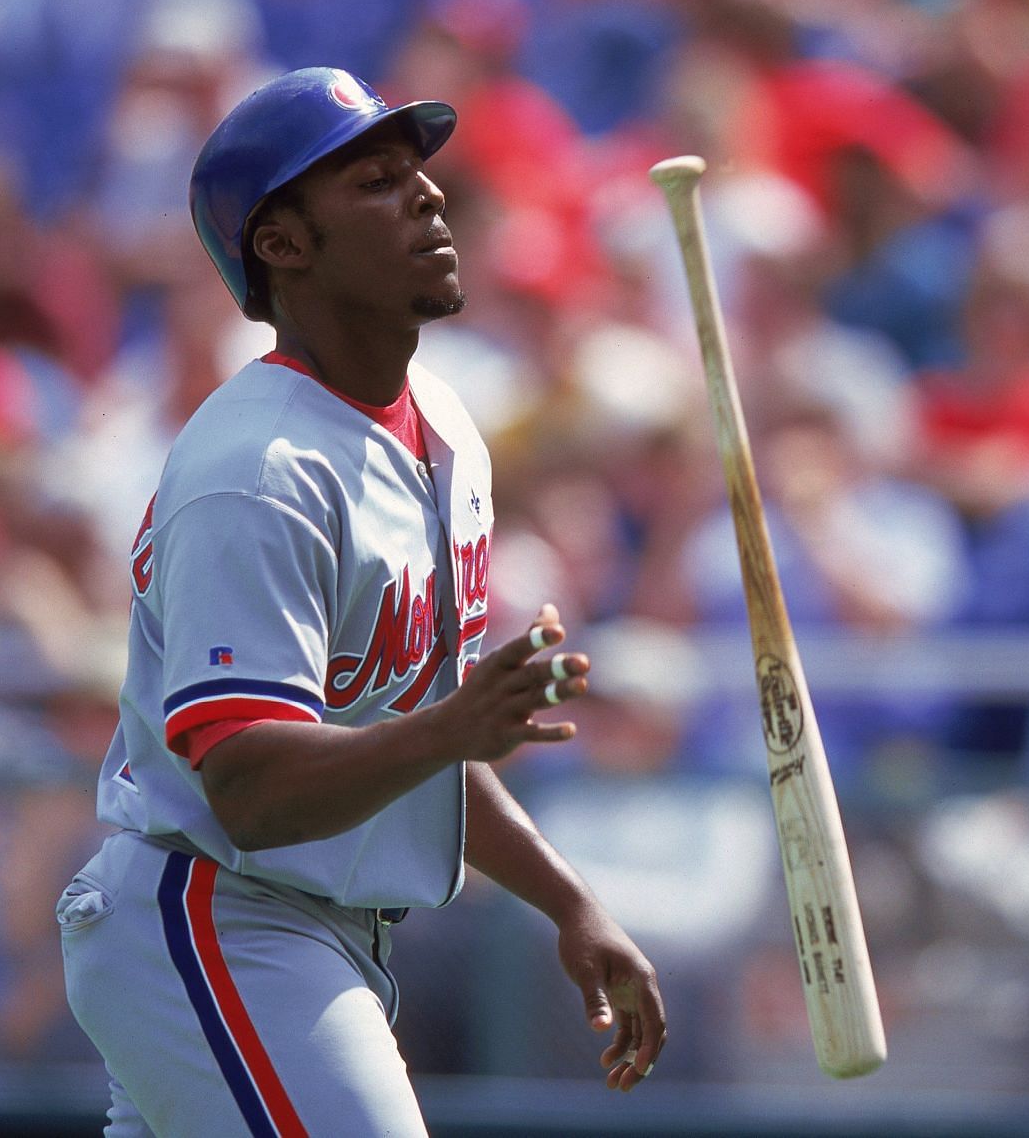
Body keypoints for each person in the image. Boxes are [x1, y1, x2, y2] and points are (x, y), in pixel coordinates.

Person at [57, 67, 666, 1137]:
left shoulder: (445, 432)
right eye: (376, 183)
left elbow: (414, 743)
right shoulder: (260, 464)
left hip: (297, 924)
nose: (428, 197)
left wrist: (569, 898)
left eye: (417, 174)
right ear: (284, 245)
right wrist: (452, 723)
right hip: (219, 912)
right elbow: (248, 783)